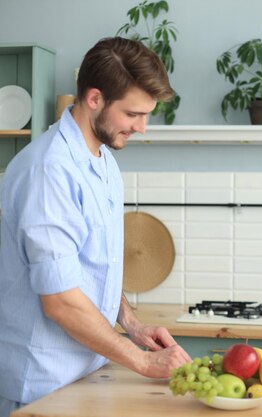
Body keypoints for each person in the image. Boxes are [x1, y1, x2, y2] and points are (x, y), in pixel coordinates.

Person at [0, 37, 191, 417]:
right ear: (94, 99)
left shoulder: (103, 160)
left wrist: (131, 323)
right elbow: (61, 301)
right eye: (133, 114)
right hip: (41, 385)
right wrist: (143, 361)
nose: (143, 128)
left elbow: (92, 265)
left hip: (86, 372)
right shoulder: (49, 171)